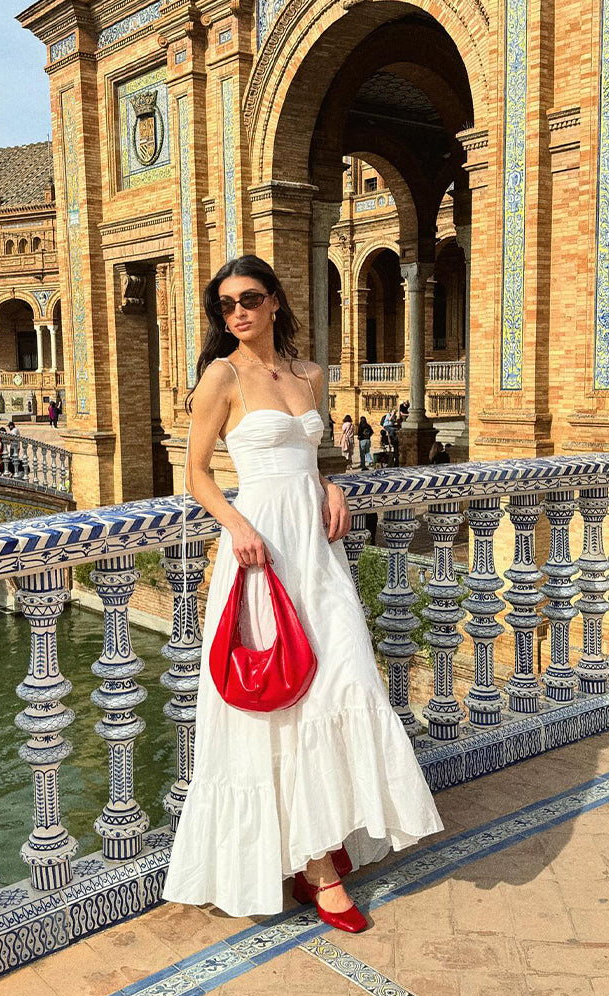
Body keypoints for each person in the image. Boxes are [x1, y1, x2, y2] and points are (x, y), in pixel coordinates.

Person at [161, 254, 442, 928]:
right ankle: (315, 869)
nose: (238, 313)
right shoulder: (219, 378)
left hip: (317, 552)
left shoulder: (310, 375)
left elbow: (309, 458)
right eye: (225, 305)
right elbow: (198, 474)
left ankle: (324, 834)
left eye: (249, 299)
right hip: (259, 551)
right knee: (281, 697)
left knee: (346, 680)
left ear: (277, 301)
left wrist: (331, 483)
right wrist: (234, 526)